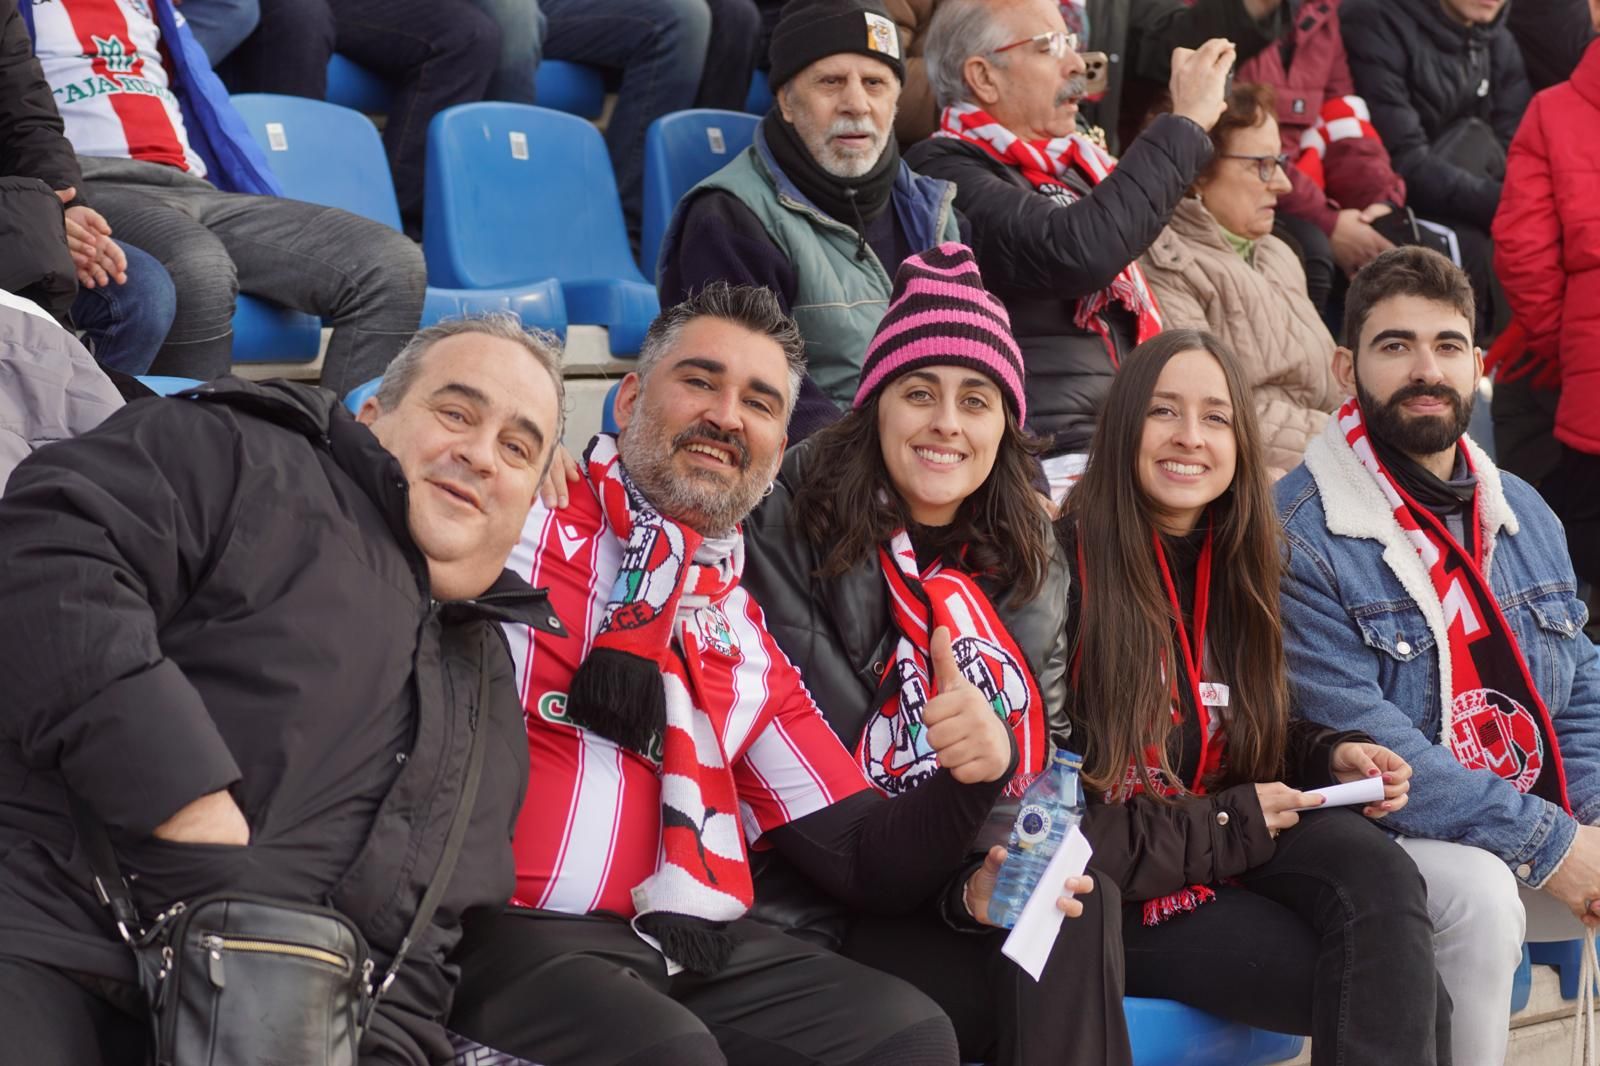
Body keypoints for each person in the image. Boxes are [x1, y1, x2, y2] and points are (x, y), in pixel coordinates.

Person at [446, 283, 1074, 1066]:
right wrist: (518, 446)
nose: (727, 415)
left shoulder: (741, 627)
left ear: (779, 449)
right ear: (630, 395)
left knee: (906, 1035)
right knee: (670, 1051)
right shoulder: (526, 516)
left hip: (681, 947)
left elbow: (861, 856)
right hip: (508, 937)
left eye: (761, 402)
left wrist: (973, 775)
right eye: (700, 382)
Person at [0, 314, 568, 1066]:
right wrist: (186, 803)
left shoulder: (491, 684)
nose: (480, 454)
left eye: (517, 447)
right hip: (59, 937)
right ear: (373, 416)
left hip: (270, 1032)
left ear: (530, 498)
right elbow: (47, 556)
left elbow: (413, 963)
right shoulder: (240, 449)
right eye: (456, 413)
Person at [739, 243, 1131, 1066]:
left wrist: (982, 889)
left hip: (951, 891)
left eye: (977, 400)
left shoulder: (1029, 552)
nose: (948, 423)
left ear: (1005, 424)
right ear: (876, 406)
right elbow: (833, 811)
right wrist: (966, 861)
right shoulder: (787, 519)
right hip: (829, 898)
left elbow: (1047, 773)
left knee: (1065, 900)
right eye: (920, 393)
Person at [1057, 327, 1450, 1065]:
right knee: (1398, 991)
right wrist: (1226, 822)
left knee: (1383, 884)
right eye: (1164, 411)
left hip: (1226, 838)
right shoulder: (1059, 572)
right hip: (1118, 885)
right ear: (1122, 426)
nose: (1190, 438)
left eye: (1215, 417)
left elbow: (1235, 728)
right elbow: (1055, 822)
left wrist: (1327, 755)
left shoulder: (1241, 562)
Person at [1276, 246, 1600, 1066]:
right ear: (1347, 365)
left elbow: (1583, 689)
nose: (1427, 369)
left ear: (1479, 365)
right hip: (1382, 837)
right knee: (1486, 896)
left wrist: (1590, 828)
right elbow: (1383, 755)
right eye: (1396, 346)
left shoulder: (1521, 508)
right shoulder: (1297, 533)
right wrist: (1555, 847)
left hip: (1530, 817)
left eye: (1448, 346)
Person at [906, 0, 1229, 501]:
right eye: (1051, 47)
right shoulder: (944, 170)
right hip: (1049, 451)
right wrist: (1182, 124)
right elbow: (1079, 250)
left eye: (1074, 45)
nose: (1078, 64)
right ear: (983, 77)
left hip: (1127, 435)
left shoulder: (1079, 167)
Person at [20, 0, 428, 393]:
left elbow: (234, 6)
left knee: (389, 264)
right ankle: (188, 453)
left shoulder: (154, 9)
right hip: (91, 184)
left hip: (192, 181)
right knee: (199, 265)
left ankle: (348, 459)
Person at [658, 0, 963, 443]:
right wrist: (876, 480)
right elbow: (755, 396)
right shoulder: (728, 219)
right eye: (831, 81)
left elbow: (979, 369)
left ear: (896, 99)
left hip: (931, 469)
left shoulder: (934, 212)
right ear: (785, 100)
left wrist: (1021, 480)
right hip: (819, 486)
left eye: (875, 83)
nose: (856, 103)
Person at [1140, 83, 1341, 474]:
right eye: (1261, 165)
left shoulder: (1278, 251)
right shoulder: (1165, 262)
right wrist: (1348, 444)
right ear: (1198, 172)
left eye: (1279, 161)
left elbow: (1332, 390)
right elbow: (1209, 414)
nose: (1282, 182)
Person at [1, 0, 175, 373]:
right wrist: (26, 220)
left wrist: (63, 200)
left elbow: (29, 118)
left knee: (141, 291)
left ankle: (92, 427)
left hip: (12, 213)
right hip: (10, 218)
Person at [1339, 0, 1528, 338]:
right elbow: (1405, 160)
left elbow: (1518, 151)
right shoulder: (1376, 20)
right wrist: (1507, 204)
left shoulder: (1499, 41)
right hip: (1394, 204)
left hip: (1478, 203)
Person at [1491, 21, 1600, 592]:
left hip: (1582, 369)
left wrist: (1565, 343)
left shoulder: (1553, 111)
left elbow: (1522, 250)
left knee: (1576, 534)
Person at [1231, 0, 1403, 307]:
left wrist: (1378, 201)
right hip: (1238, 187)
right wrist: (1330, 222)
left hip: (1299, 189)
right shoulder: (1223, 14)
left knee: (1394, 235)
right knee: (1312, 249)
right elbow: (1238, 142)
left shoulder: (1321, 13)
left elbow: (1343, 122)